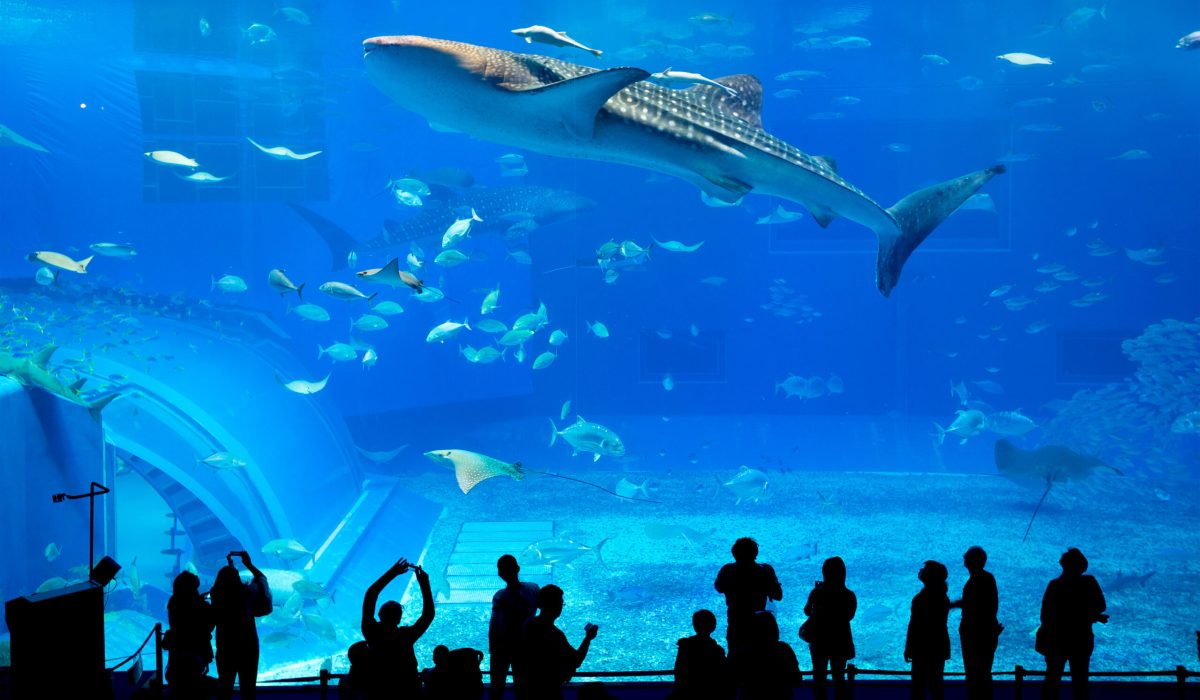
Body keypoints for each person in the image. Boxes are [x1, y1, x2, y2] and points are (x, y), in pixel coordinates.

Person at [1037, 548, 1108, 700]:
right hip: (1081, 639)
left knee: (1052, 679)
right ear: (1082, 566)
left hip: (1056, 640)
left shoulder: (1054, 585)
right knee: (1081, 681)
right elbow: (1101, 605)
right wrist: (1090, 616)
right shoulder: (1089, 582)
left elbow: (1045, 616)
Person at [361, 557, 434, 698]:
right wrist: (424, 584)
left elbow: (371, 595)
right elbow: (428, 614)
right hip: (407, 689)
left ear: (380, 614)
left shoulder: (371, 631)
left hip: (378, 689)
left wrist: (393, 572)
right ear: (399, 619)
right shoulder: (406, 636)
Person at [714, 537, 782, 682]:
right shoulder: (764, 571)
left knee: (735, 664)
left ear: (734, 553)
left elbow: (719, 587)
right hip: (759, 626)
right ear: (755, 553)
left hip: (736, 623)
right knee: (759, 668)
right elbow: (778, 595)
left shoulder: (727, 570)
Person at [513, 584, 598, 700]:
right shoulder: (554, 634)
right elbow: (576, 660)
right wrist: (588, 639)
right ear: (556, 606)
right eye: (560, 603)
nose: (561, 607)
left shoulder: (527, 626)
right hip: (549, 692)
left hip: (527, 691)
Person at [210, 551, 271, 700]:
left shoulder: (216, 594)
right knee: (248, 689)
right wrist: (248, 564)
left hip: (226, 647)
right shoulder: (247, 593)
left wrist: (230, 569)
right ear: (237, 579)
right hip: (248, 648)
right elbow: (262, 580)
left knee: (225, 688)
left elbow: (225, 584)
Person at [801, 556, 856, 700]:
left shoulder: (817, 593)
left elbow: (806, 611)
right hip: (840, 640)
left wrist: (817, 600)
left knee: (819, 676)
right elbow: (849, 616)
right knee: (839, 677)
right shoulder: (849, 595)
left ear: (825, 572)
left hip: (819, 640)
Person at [950, 546, 1001, 700]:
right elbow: (984, 604)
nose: (963, 559)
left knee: (976, 673)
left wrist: (953, 605)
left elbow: (976, 605)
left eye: (966, 557)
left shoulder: (980, 579)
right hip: (985, 632)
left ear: (972, 561)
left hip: (975, 634)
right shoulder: (986, 578)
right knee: (982, 673)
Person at [489, 554, 540, 700]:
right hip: (525, 646)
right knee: (523, 687)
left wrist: (492, 646)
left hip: (502, 647)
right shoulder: (534, 588)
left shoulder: (499, 596)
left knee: (497, 687)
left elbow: (494, 623)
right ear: (518, 568)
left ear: (500, 574)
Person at [165, 570, 215, 700]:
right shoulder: (201, 605)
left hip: (177, 650)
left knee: (179, 686)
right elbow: (210, 626)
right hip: (196, 651)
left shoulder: (173, 601)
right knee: (195, 684)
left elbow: (185, 609)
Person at [905, 561, 951, 700]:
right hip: (938, 647)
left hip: (922, 649)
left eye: (925, 570)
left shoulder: (921, 598)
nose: (921, 571)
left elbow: (915, 625)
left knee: (919, 688)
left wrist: (909, 647)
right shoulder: (942, 597)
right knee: (936, 687)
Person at [669, 609, 729, 700]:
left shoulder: (685, 645)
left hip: (687, 693)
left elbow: (679, 670)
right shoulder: (717, 650)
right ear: (713, 626)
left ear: (694, 626)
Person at [740, 611, 800, 700]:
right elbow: (797, 679)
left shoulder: (747, 652)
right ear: (775, 628)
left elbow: (742, 681)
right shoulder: (784, 649)